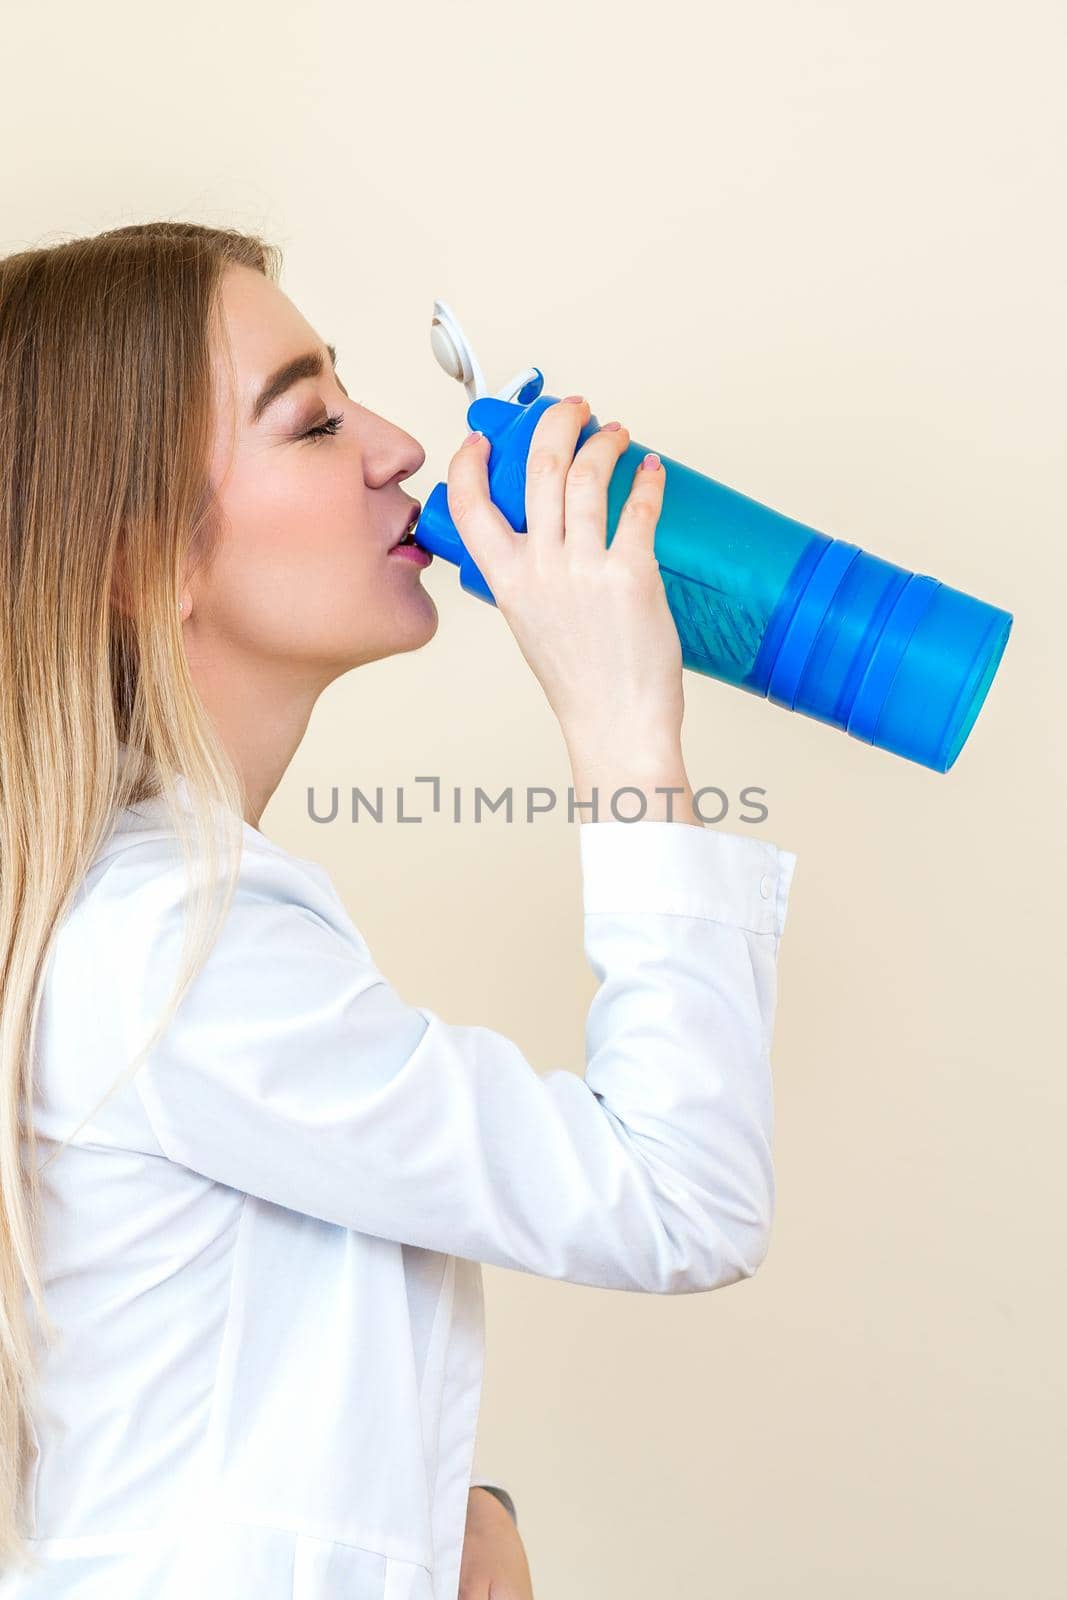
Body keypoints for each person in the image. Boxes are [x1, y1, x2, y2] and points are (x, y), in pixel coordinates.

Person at [0, 221, 798, 1600]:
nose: (399, 449)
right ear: (145, 569)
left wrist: (450, 1518)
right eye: (311, 421)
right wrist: (622, 727)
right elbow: (684, 1198)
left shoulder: (143, 921)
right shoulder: (171, 948)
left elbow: (223, 1382)